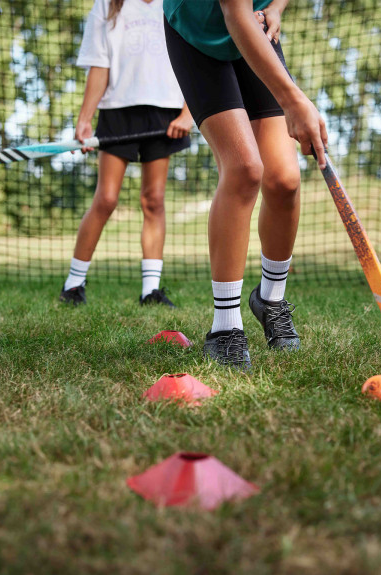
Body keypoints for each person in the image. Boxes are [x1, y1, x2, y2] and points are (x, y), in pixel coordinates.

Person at [163, 0, 328, 369]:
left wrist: (278, 8)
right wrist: (294, 101)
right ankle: (225, 327)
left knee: (285, 179)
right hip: (197, 31)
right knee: (244, 169)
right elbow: (234, 12)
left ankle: (270, 299)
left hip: (253, 28)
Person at [60, 0, 193, 307]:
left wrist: (189, 111)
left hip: (166, 112)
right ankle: (73, 285)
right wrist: (83, 120)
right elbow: (99, 66)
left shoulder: (176, 5)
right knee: (106, 198)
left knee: (154, 200)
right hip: (117, 111)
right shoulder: (108, 5)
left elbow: (193, 60)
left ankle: (150, 291)